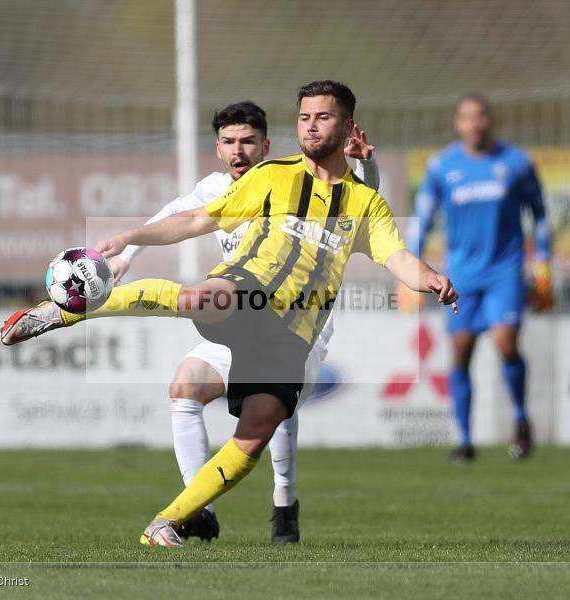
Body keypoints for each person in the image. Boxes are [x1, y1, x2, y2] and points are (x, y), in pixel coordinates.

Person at [2, 80, 459, 547]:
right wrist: (129, 237)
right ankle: (70, 311)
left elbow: (397, 257)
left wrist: (430, 278)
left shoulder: (365, 204)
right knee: (201, 300)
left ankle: (167, 522)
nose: (310, 126)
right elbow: (200, 218)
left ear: (346, 126)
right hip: (248, 287)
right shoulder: (273, 175)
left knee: (254, 436)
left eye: (322, 117)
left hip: (293, 332)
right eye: (304, 117)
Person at [104, 101, 380, 544]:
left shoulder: (293, 181)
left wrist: (368, 165)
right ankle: (199, 509)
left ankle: (284, 501)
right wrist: (127, 254)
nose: (239, 151)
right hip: (238, 314)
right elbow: (175, 214)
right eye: (229, 142)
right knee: (184, 387)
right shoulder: (213, 189)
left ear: (266, 147)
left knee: (274, 410)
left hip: (297, 324)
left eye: (249, 141)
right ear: (217, 149)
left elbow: (360, 201)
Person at [407, 94, 551, 463]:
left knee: (506, 343)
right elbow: (422, 219)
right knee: (461, 353)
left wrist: (544, 265)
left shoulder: (516, 163)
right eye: (467, 117)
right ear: (458, 124)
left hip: (505, 271)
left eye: (481, 116)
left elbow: (540, 214)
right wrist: (409, 269)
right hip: (462, 276)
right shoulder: (441, 167)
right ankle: (465, 440)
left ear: (490, 120)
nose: (475, 123)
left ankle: (520, 418)